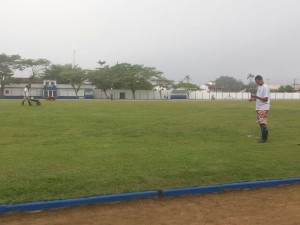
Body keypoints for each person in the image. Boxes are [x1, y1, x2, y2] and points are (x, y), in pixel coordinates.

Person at [249, 75, 270, 143]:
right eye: (256, 82)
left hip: (263, 107)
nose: (257, 83)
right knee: (260, 123)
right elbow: (259, 98)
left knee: (263, 123)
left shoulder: (265, 87)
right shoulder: (259, 87)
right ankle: (263, 137)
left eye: (257, 81)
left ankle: (264, 139)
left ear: (261, 80)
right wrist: (253, 99)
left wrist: (256, 97)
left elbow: (265, 99)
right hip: (259, 107)